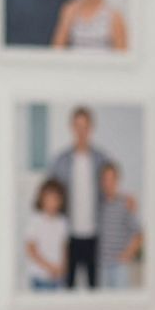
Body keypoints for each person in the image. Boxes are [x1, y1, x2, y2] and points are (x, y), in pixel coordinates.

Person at [49, 108, 114, 291]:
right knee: (67, 287)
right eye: (77, 126)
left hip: (94, 233)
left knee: (94, 288)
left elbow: (110, 188)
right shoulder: (59, 160)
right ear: (71, 127)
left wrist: (127, 199)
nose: (81, 131)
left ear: (91, 128)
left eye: (85, 126)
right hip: (68, 234)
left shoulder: (101, 159)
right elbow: (50, 193)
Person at [97, 161, 144, 291]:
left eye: (112, 179)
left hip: (119, 266)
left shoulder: (125, 204)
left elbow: (139, 234)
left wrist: (127, 254)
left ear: (118, 180)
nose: (108, 183)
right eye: (105, 179)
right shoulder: (98, 205)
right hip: (101, 265)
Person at [21, 178, 69, 289]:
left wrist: (62, 268)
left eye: (55, 199)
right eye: (48, 198)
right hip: (39, 277)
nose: (52, 202)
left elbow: (64, 248)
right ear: (42, 199)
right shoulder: (35, 221)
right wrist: (49, 267)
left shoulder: (62, 222)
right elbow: (31, 250)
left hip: (58, 277)